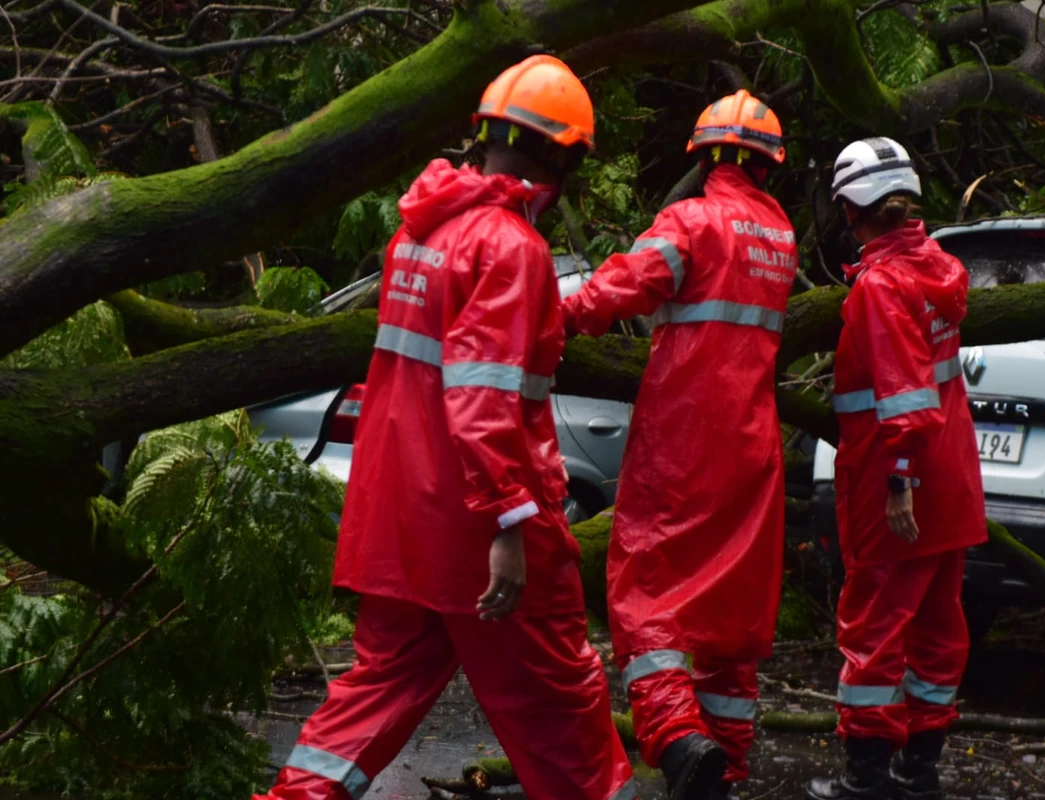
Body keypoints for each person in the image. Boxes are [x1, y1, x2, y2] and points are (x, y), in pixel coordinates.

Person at [253, 55, 636, 800]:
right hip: (474, 524)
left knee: (373, 695)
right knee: (563, 705)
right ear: (562, 158)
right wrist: (509, 524)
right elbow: (483, 401)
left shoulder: (420, 235)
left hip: (401, 517)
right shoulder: (512, 249)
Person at [562, 89, 796, 800]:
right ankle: (723, 766)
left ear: (704, 154)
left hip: (682, 441)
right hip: (753, 448)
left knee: (645, 599)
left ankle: (679, 739)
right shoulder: (780, 240)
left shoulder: (690, 221)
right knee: (730, 619)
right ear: (765, 164)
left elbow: (618, 292)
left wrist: (552, 311)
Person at [805, 137, 987, 800]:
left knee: (875, 626)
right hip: (952, 479)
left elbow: (905, 399)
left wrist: (899, 480)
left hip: (896, 483)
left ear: (854, 208)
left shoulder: (881, 287)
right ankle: (921, 771)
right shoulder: (936, 264)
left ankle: (869, 777)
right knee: (939, 625)